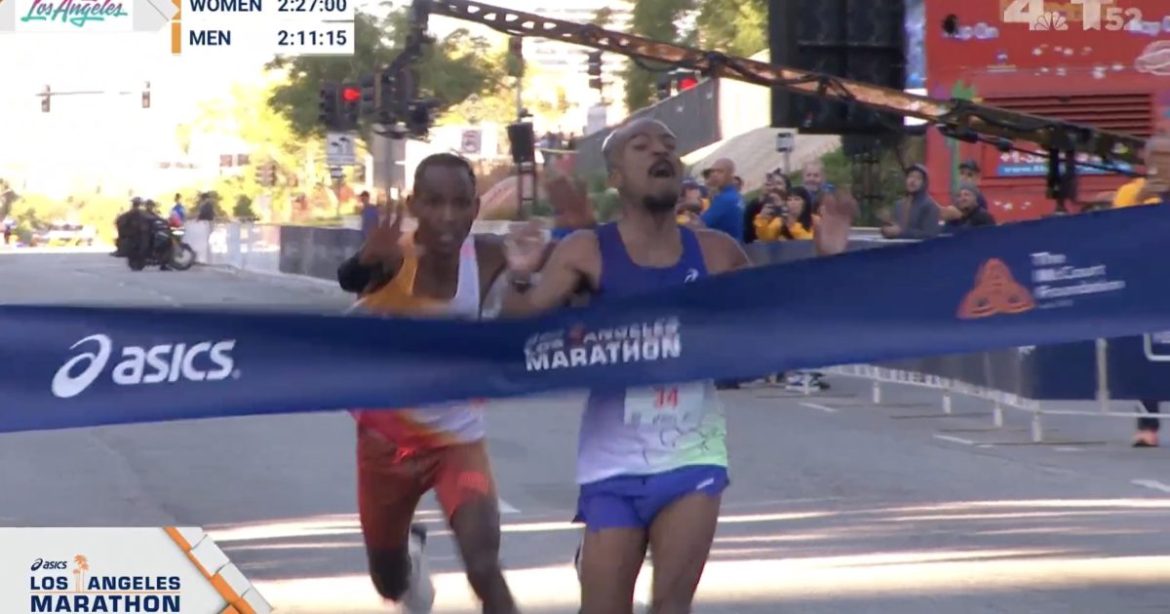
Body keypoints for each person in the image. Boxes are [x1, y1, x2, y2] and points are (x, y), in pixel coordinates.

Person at [499, 118, 855, 613]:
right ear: (616, 176)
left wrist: (829, 262)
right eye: (641, 146)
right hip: (612, 461)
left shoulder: (716, 253)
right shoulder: (587, 250)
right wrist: (519, 276)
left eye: (669, 145)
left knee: (671, 605)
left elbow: (779, 321)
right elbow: (516, 334)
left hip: (692, 455)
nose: (660, 152)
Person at [344, 153, 519, 614]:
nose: (448, 216)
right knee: (388, 580)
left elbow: (556, 288)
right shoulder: (393, 258)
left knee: (484, 567)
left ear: (475, 208)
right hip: (387, 446)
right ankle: (411, 560)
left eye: (460, 203)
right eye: (435, 202)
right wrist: (366, 260)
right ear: (414, 205)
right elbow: (351, 278)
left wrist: (530, 269)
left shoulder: (488, 256)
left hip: (457, 443)